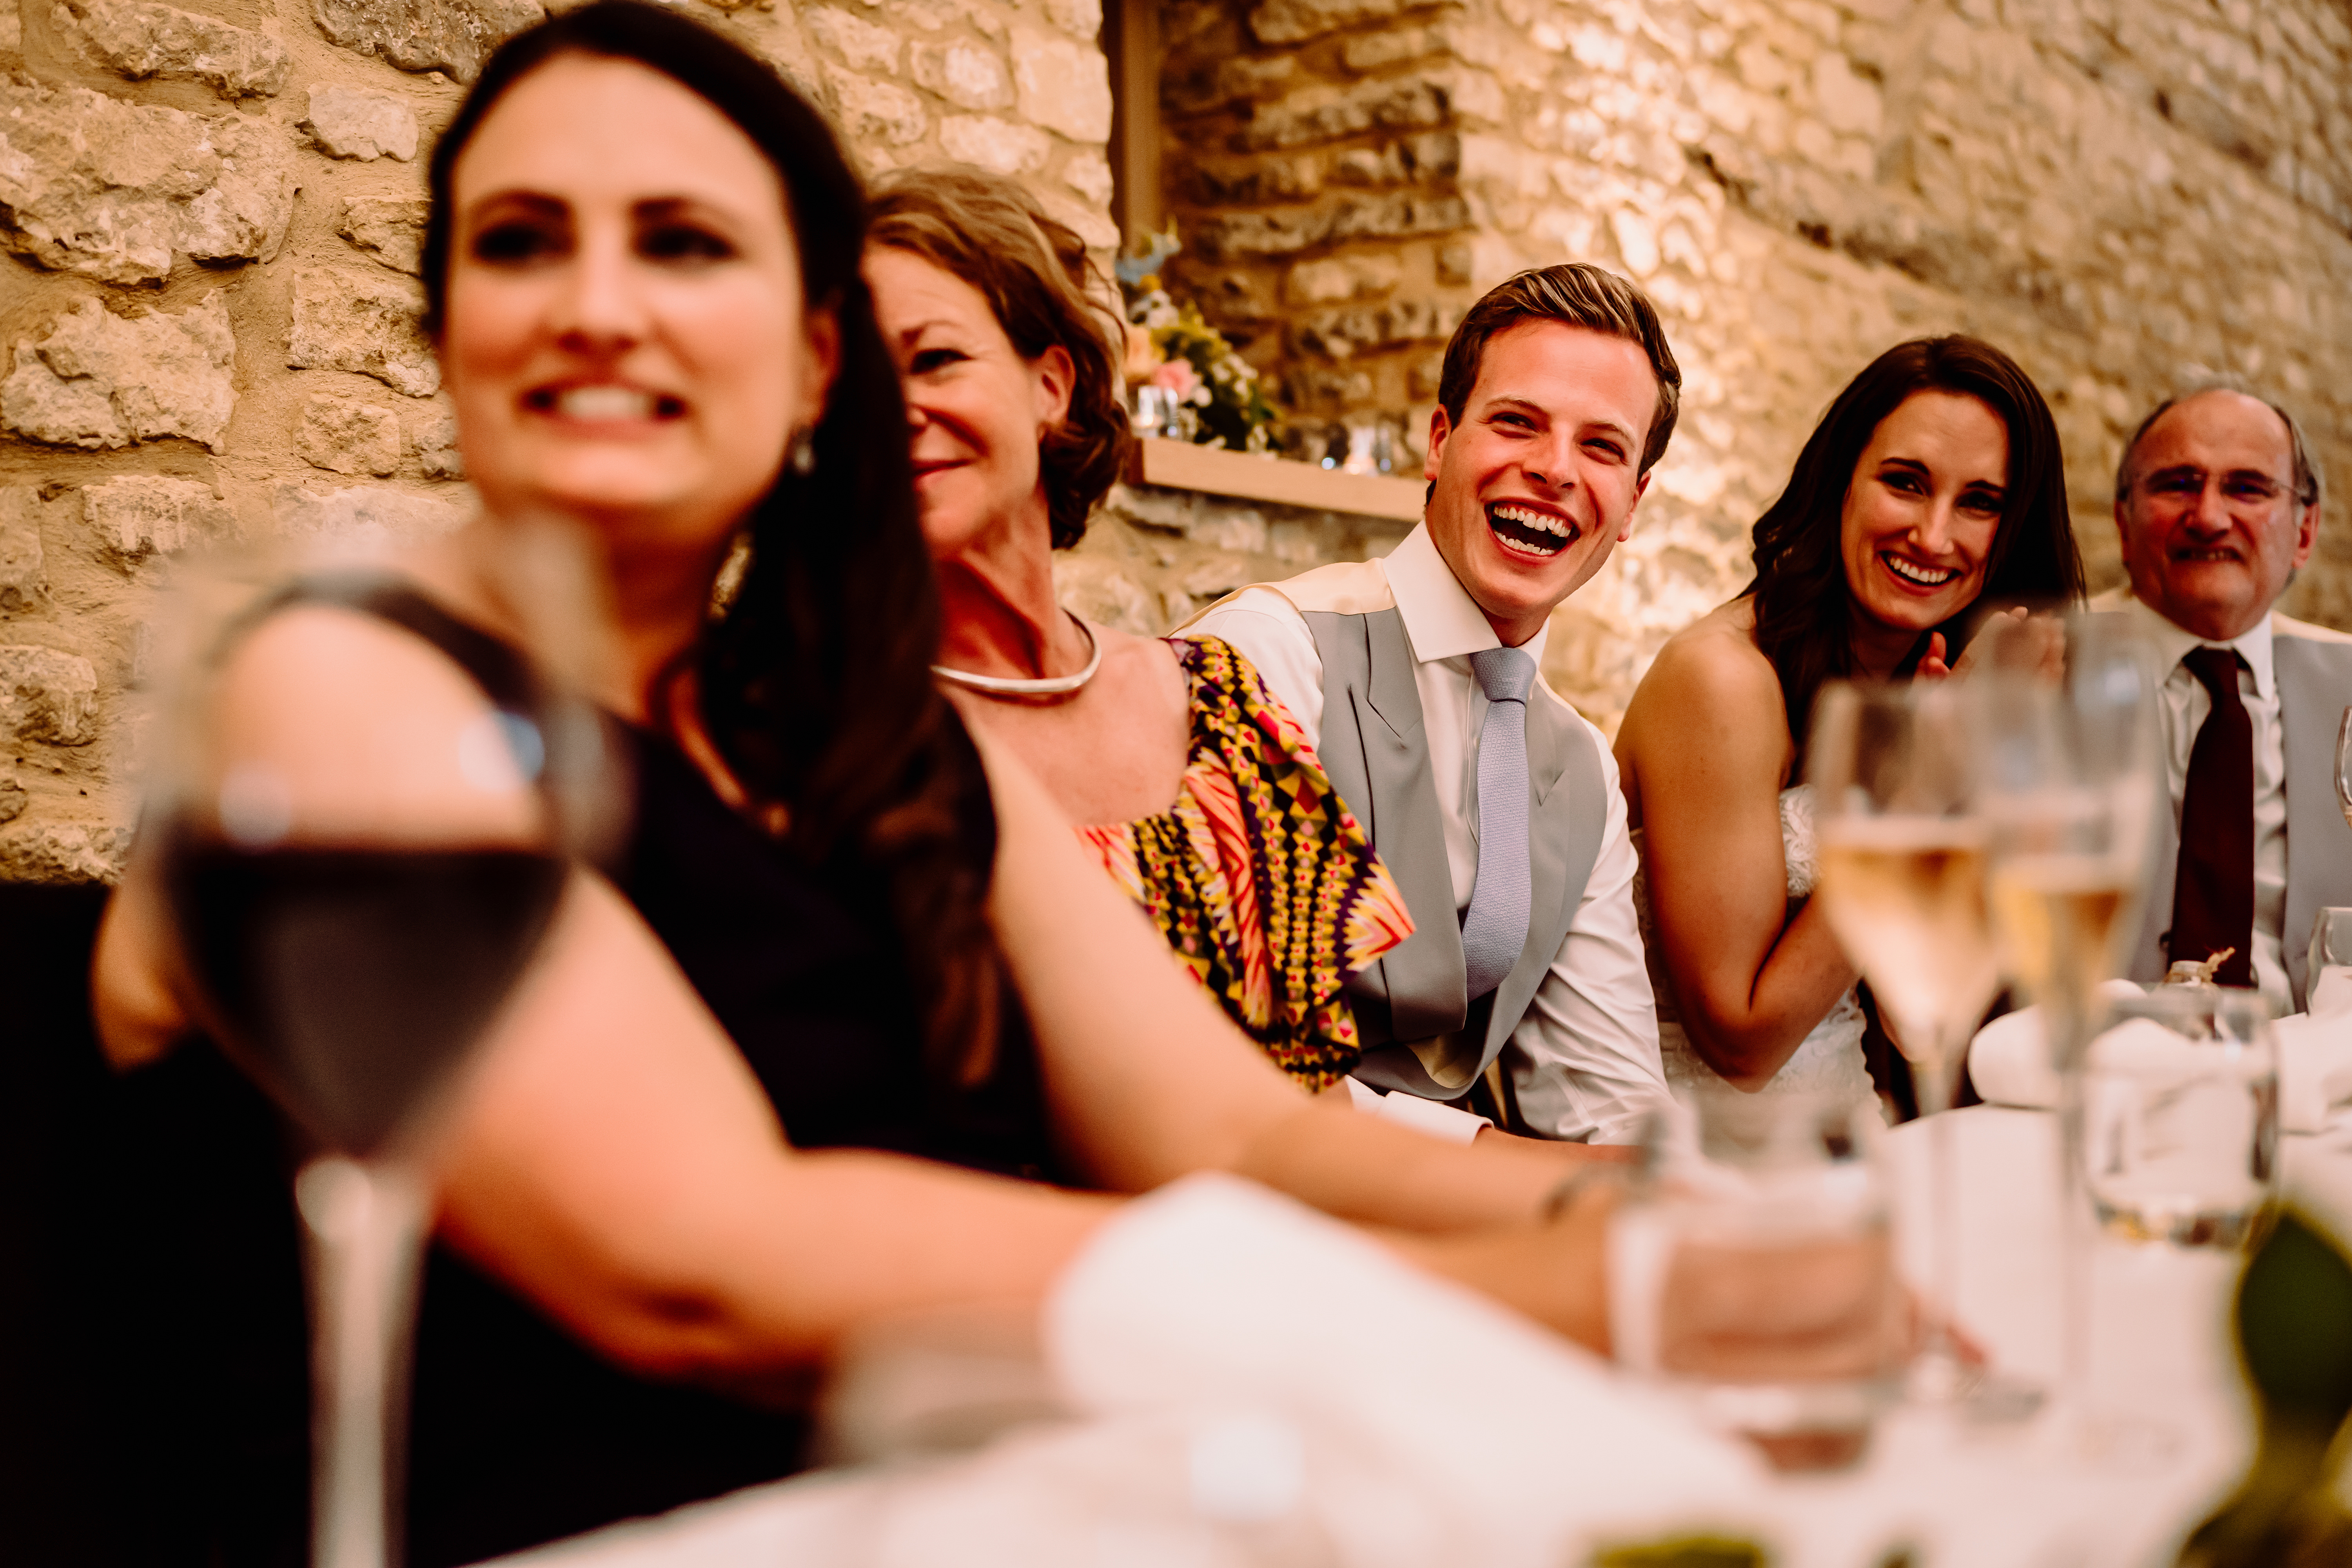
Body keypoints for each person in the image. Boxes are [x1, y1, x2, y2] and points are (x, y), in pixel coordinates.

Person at [84, 8, 1651, 1559]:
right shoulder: (336, 686)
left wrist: (1661, 1230)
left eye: (685, 245)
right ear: (445, 333)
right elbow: (702, 1256)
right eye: (520, 243)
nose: (599, 305)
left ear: (807, 357)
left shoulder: (885, 741)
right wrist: (1542, 1303)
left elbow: (1237, 1138)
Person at [861, 168, 1414, 1093]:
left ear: (1051, 385)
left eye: (935, 360)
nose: (893, 410)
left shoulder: (1219, 705)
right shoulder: (834, 737)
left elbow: (1311, 1096)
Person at [1181, 266, 1674, 1147]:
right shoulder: (1274, 653)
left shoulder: (1582, 771)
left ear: (1633, 502)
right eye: (1517, 422)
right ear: (1440, 441)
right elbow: (1208, 1041)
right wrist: (1485, 1161)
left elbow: (1610, 1097)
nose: (1555, 469)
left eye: (1602, 447)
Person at [1614, 337, 2084, 1102]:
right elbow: (1741, 1043)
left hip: (1851, 1126)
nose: (1934, 536)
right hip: (1694, 1152)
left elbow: (1922, 1021)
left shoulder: (1940, 685)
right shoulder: (1723, 679)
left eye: (1980, 502)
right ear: (1842, 482)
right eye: (1905, 483)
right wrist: (1918, 793)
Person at [2110, 383, 2352, 1014]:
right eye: (2177, 484)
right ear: (2122, 520)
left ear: (2305, 532)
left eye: (2248, 488)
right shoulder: (2035, 673)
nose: (2210, 516)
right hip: (2086, 1085)